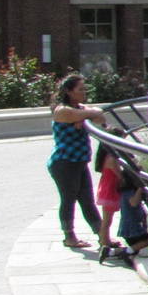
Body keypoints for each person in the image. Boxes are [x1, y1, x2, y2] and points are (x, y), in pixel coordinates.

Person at [49, 73, 106, 249]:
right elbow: (92, 114)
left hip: (79, 162)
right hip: (64, 163)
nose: (84, 92)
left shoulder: (79, 108)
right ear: (69, 91)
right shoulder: (62, 110)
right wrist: (85, 115)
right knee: (69, 199)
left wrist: (83, 116)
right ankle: (69, 236)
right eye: (80, 89)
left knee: (87, 200)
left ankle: (102, 236)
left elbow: (100, 116)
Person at [93, 129, 124, 256]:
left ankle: (104, 239)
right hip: (111, 190)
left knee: (107, 218)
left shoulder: (106, 156)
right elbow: (120, 175)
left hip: (107, 188)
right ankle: (104, 242)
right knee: (107, 220)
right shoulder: (112, 158)